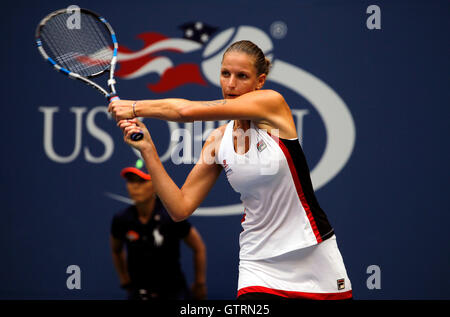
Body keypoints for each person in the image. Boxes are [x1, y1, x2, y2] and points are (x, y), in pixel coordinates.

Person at [109, 40, 352, 300]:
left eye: (242, 76)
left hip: (312, 252)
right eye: (225, 74)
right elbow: (180, 208)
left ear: (260, 81)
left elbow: (187, 111)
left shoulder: (272, 104)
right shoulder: (217, 141)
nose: (231, 84)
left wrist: (134, 107)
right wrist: (148, 150)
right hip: (257, 262)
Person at [110, 160, 207, 300]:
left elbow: (198, 247)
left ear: (155, 186)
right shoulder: (122, 219)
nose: (135, 187)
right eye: (131, 181)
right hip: (138, 293)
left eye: (141, 181)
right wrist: (124, 279)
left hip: (173, 292)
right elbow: (116, 250)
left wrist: (200, 283)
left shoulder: (171, 215)